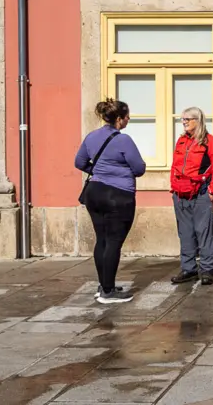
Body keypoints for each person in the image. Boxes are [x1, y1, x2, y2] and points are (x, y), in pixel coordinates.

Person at [74, 98, 146, 304]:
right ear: (119, 119)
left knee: (102, 239)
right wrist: (118, 172)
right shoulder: (123, 140)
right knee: (114, 241)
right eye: (127, 116)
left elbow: (79, 162)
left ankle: (104, 284)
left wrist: (97, 171)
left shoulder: (92, 136)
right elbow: (139, 169)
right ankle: (108, 292)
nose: (129, 120)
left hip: (94, 192)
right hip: (118, 194)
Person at [169, 106, 213, 287]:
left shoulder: (210, 142)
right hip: (180, 194)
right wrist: (173, 188)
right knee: (185, 233)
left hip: (201, 193)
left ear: (198, 121)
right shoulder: (181, 141)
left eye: (187, 119)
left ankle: (207, 269)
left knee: (203, 231)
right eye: (182, 119)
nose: (183, 121)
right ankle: (189, 269)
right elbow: (175, 167)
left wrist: (212, 192)